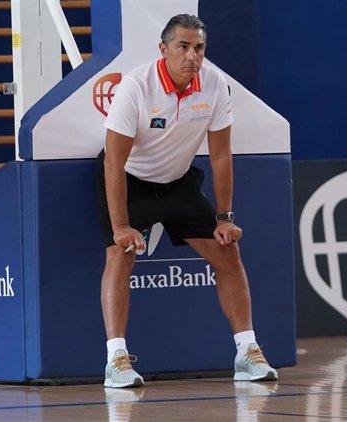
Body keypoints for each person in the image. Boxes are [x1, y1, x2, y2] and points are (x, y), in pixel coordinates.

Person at [96, 13, 277, 388]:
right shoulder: (136, 86)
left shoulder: (214, 85)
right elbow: (114, 161)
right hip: (130, 181)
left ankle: (247, 352)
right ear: (163, 50)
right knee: (120, 253)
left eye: (199, 48)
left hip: (178, 184)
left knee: (228, 251)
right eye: (183, 47)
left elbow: (221, 156)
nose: (192, 56)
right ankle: (116, 360)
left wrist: (225, 216)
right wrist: (121, 227)